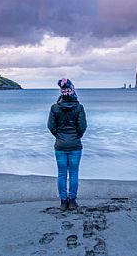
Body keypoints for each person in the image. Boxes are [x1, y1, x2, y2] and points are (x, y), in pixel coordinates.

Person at [48, 78, 87, 211]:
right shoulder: (79, 107)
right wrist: (76, 136)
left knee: (62, 174)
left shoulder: (54, 108)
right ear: (72, 92)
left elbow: (51, 126)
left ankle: (63, 202)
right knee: (74, 173)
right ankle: (72, 201)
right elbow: (82, 127)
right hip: (75, 145)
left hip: (60, 146)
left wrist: (59, 136)